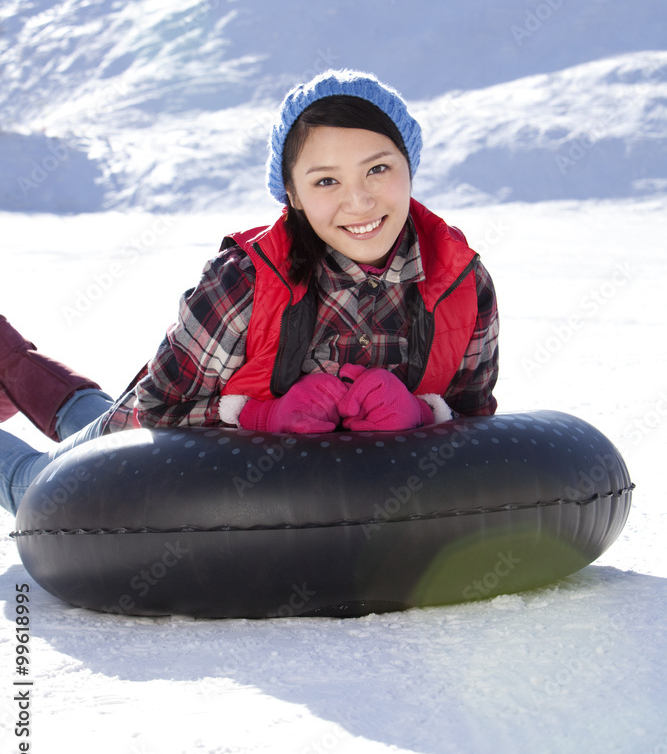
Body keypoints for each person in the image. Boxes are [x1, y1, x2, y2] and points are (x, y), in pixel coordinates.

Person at [0, 69, 498, 516]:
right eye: (326, 180)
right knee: (32, 487)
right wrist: (260, 414)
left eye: (378, 169)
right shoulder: (244, 281)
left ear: (409, 165)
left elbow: (472, 416)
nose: (359, 200)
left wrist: (424, 410)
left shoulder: (461, 282)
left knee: (84, 412)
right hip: (130, 442)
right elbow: (156, 413)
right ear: (293, 195)